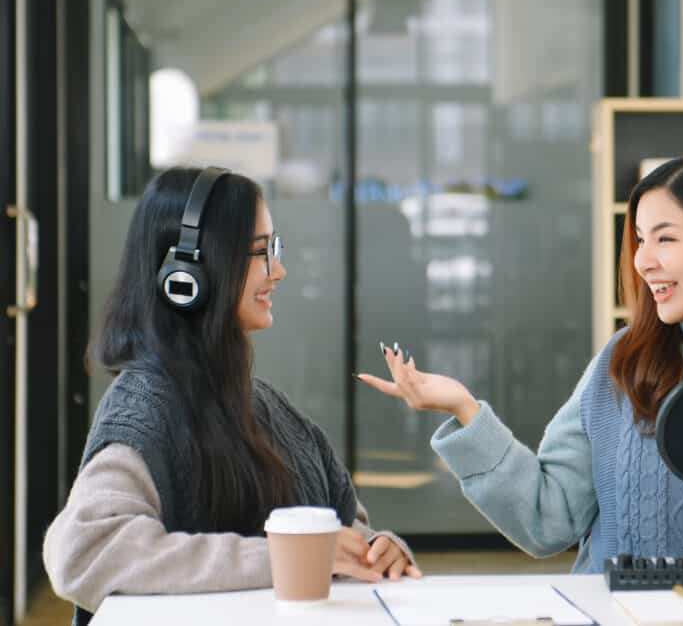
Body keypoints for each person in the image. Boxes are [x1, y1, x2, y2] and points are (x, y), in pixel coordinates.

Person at [358, 150, 683, 574]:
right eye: (639, 239)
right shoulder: (622, 363)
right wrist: (465, 409)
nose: (642, 260)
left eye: (665, 239)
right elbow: (547, 521)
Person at [44, 167, 419, 625]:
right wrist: (285, 560)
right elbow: (85, 552)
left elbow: (344, 529)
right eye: (261, 252)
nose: (278, 270)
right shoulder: (143, 413)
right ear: (188, 271)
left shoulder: (273, 412)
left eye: (274, 249)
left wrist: (379, 549)